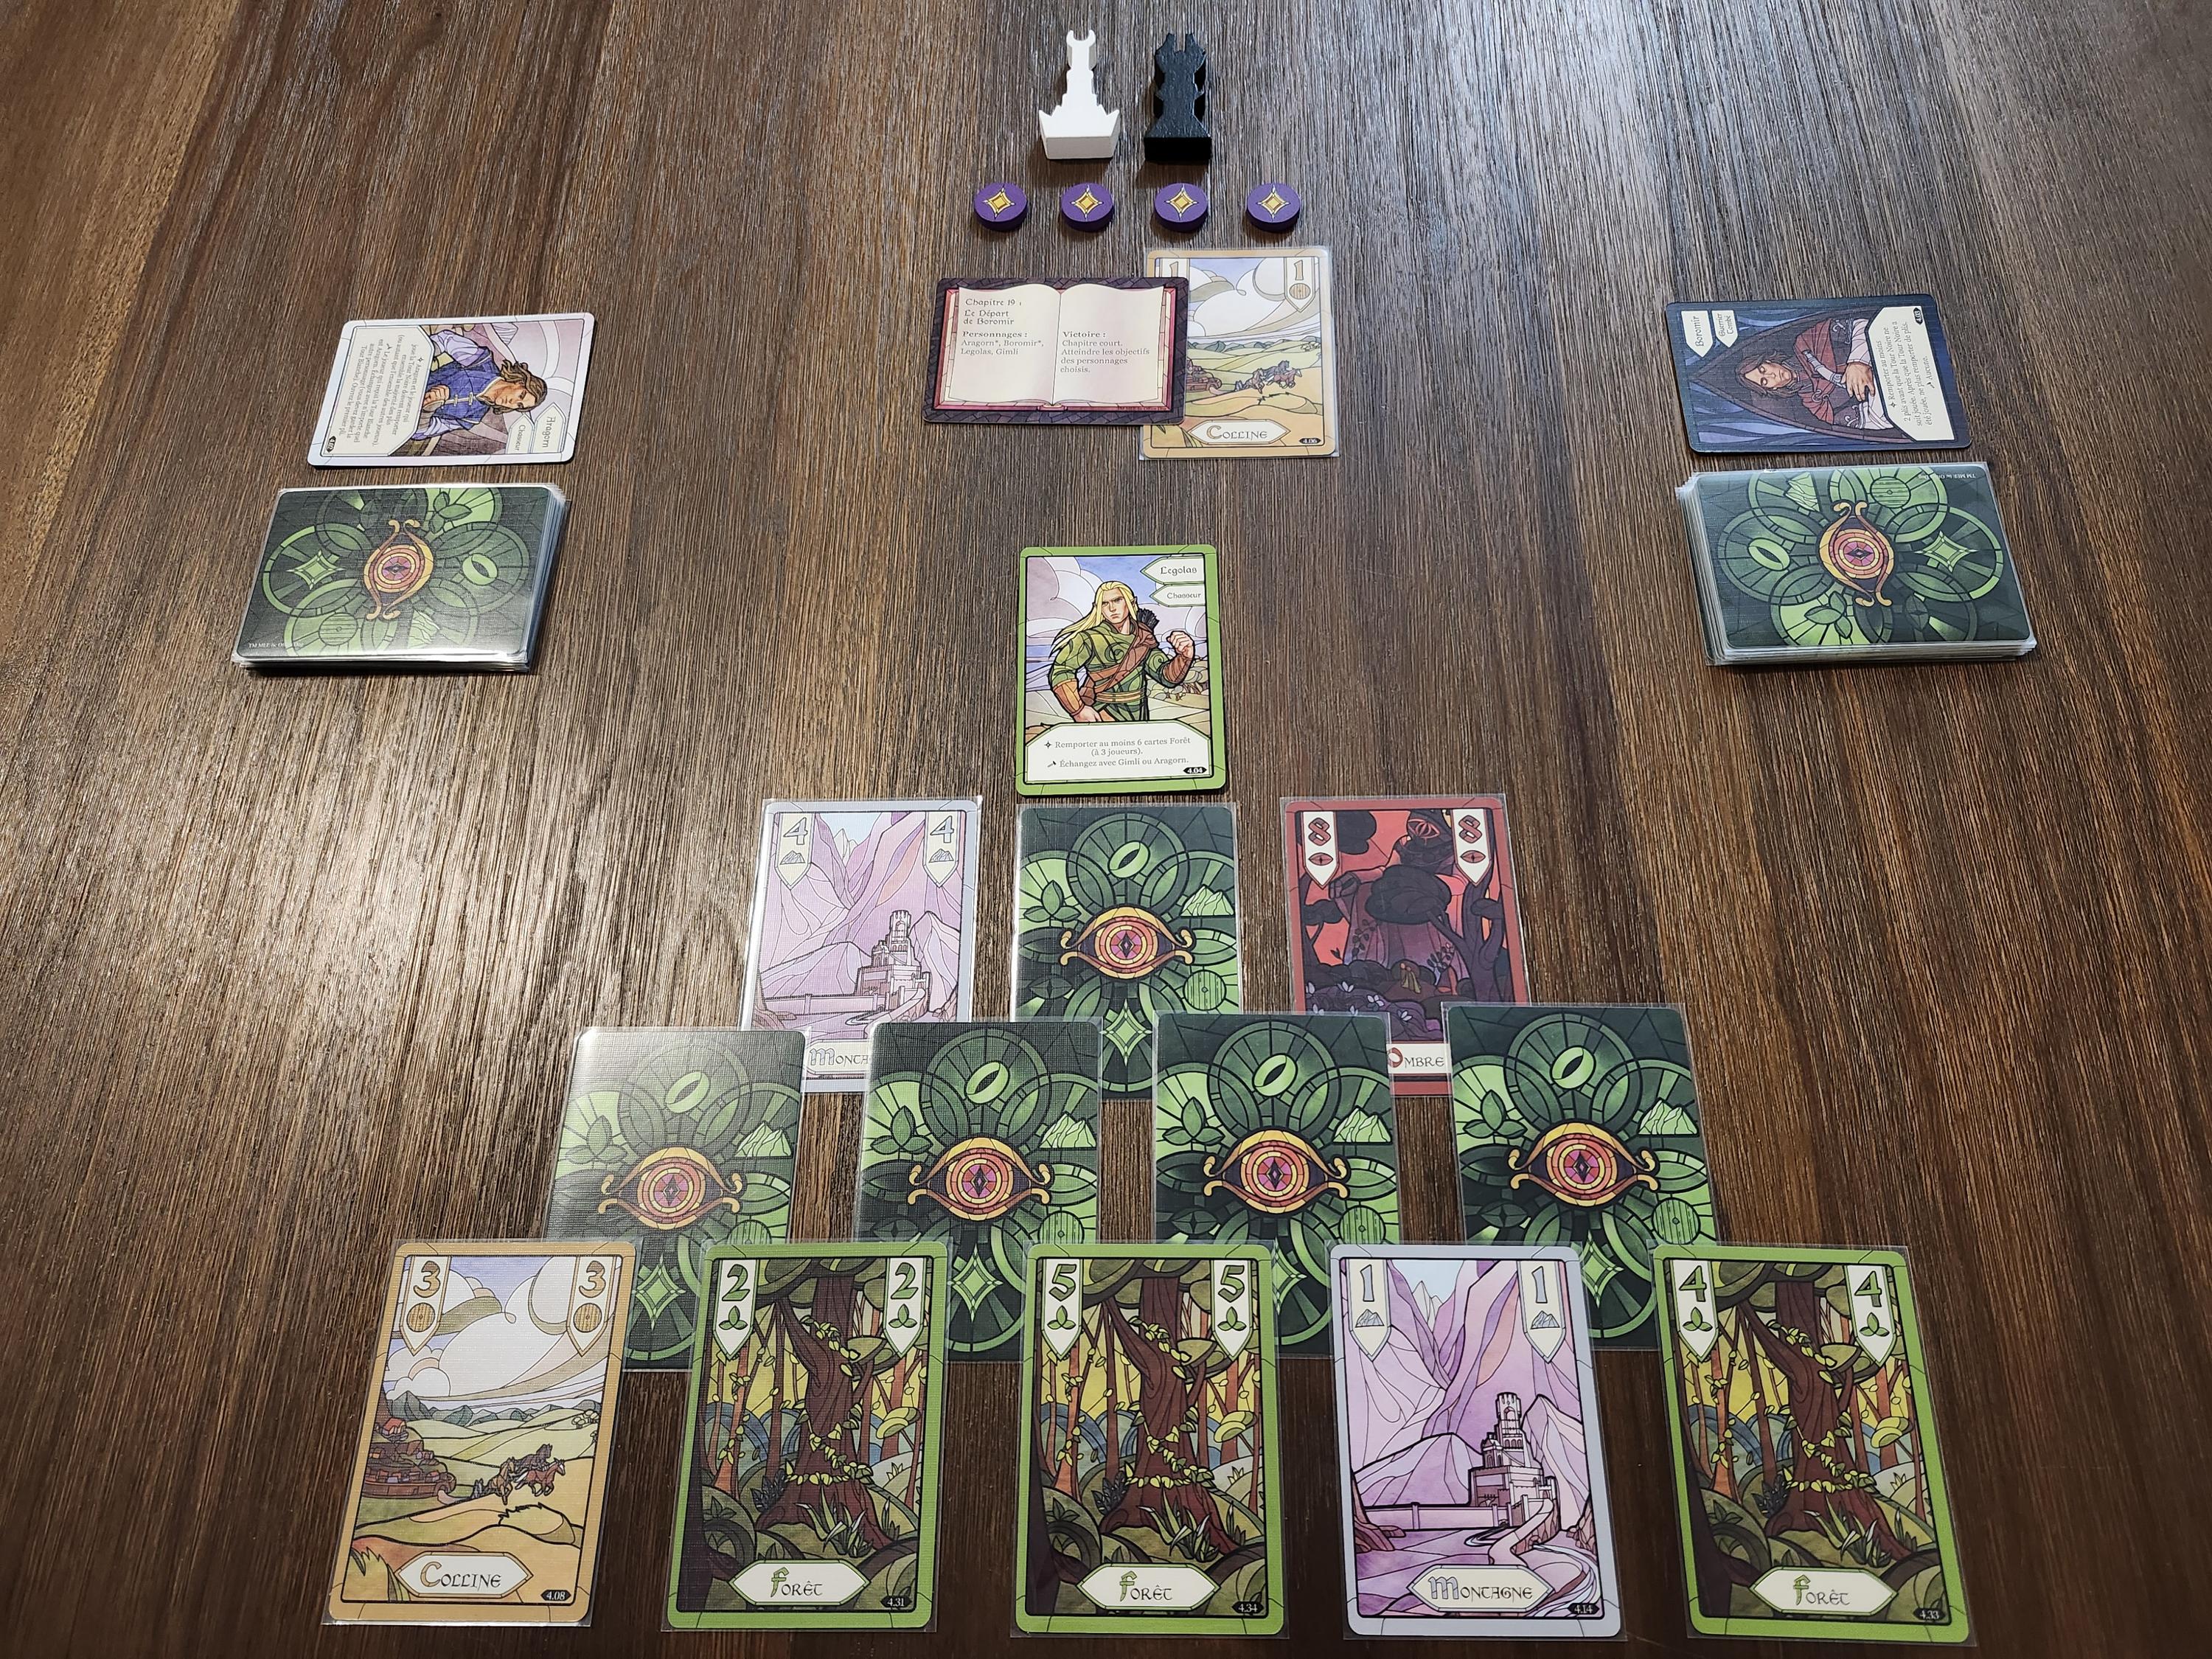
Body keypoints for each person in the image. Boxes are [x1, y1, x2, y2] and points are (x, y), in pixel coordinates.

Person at [1048, 581, 1193, 723]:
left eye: (1117, 600)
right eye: (1105, 603)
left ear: (1131, 602)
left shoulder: (1143, 636)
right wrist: (1078, 710)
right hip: (1103, 712)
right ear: (1098, 608)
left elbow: (1166, 677)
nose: (1112, 608)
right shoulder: (1089, 638)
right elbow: (1061, 670)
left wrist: (1185, 655)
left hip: (1140, 714)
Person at [1737, 315, 1895, 433]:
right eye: (1764, 381)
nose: (1771, 376)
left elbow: (1862, 325)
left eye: (1763, 370)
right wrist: (1880, 387)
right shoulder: (1816, 406)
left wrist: (1858, 362)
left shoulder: (1805, 342)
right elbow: (1878, 420)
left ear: (1768, 361)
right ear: (1772, 389)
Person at [409, 324, 548, 445]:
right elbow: (446, 340)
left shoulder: (473, 417)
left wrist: (427, 411)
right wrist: (418, 361)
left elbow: (419, 433)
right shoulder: (481, 363)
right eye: (521, 396)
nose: (513, 402)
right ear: (519, 383)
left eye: (519, 405)